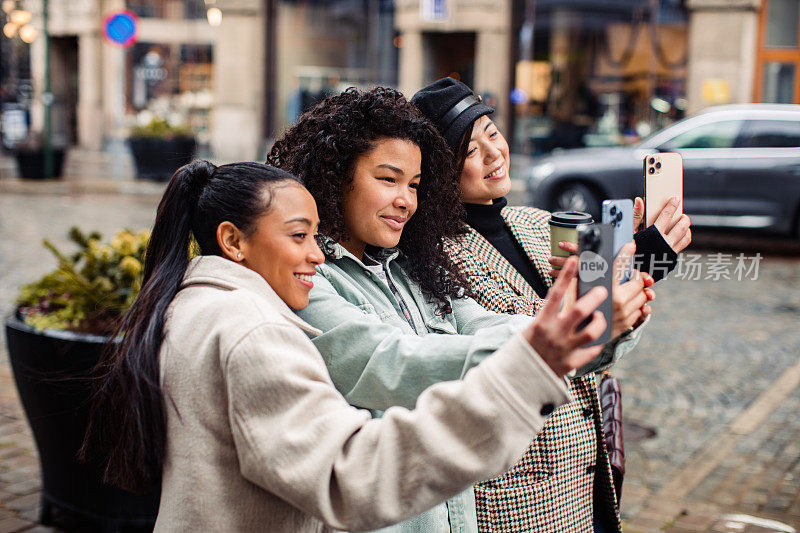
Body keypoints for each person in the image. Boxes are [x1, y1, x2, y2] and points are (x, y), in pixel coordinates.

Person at [80, 160, 612, 532]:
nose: (316, 255)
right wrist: (529, 368)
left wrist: (571, 328)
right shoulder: (255, 331)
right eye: (297, 236)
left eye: (315, 235)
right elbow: (350, 472)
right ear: (233, 240)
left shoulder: (196, 302)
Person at [267, 87, 647, 532]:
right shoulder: (309, 278)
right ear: (335, 176)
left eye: (413, 184)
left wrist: (603, 314)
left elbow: (489, 323)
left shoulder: (412, 267)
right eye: (388, 180)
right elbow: (390, 362)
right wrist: (551, 340)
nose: (406, 199)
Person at [411, 77, 692, 532]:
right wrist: (605, 300)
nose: (494, 154)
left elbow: (606, 345)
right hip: (519, 492)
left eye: (492, 134)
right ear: (439, 172)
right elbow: (527, 350)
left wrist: (638, 264)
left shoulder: (542, 222)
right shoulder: (434, 255)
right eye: (468, 151)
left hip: (587, 470)